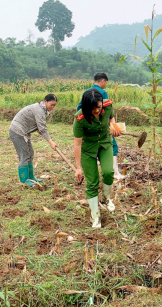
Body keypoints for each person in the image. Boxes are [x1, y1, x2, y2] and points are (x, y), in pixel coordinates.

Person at [73, 89, 121, 228]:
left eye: (98, 107)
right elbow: (77, 144)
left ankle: (106, 198)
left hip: (105, 143)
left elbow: (111, 117)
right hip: (88, 149)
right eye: (92, 109)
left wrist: (113, 127)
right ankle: (95, 216)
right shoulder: (80, 118)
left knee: (108, 172)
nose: (96, 111)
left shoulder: (107, 105)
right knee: (92, 182)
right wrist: (78, 168)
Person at [78, 73, 124, 179]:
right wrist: (113, 128)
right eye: (106, 82)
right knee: (113, 145)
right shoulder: (102, 92)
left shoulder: (87, 92)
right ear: (102, 81)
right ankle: (115, 173)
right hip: (100, 125)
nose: (106, 85)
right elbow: (106, 113)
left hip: (87, 126)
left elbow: (79, 109)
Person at [9, 94, 58, 187]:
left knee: (30, 153)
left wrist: (38, 129)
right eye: (51, 105)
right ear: (45, 101)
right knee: (24, 155)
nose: (52, 107)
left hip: (24, 133)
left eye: (54, 105)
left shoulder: (41, 109)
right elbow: (43, 129)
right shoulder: (39, 110)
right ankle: (24, 180)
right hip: (17, 132)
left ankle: (31, 177)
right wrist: (50, 142)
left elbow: (38, 126)